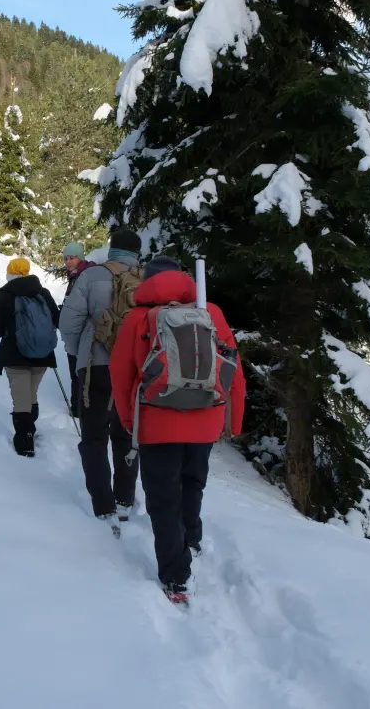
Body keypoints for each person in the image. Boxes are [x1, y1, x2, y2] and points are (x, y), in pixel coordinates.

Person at [109, 255, 245, 604]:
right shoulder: (210, 312)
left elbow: (121, 374)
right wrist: (234, 420)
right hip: (206, 417)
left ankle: (176, 576)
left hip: (156, 420)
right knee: (193, 481)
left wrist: (130, 421)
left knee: (163, 497)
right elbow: (234, 369)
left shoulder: (138, 317)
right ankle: (192, 537)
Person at [59, 229, 144, 527]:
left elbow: (69, 322)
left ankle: (102, 504)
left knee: (94, 437)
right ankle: (124, 499)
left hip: (96, 365)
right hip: (134, 370)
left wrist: (78, 353)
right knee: (126, 435)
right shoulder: (147, 279)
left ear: (112, 250)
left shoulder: (92, 277)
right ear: (137, 251)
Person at [0, 258, 60, 457]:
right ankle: (31, 429)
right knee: (31, 394)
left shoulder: (6, 295)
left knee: (21, 400)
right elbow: (56, 319)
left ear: (10, 273)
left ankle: (25, 442)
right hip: (43, 355)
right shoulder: (43, 293)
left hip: (15, 355)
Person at [60, 242, 94, 415]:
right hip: (77, 332)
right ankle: (78, 406)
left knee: (80, 372)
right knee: (78, 372)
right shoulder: (75, 275)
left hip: (82, 333)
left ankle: (80, 408)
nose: (68, 261)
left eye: (72, 258)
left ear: (80, 258)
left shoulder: (84, 276)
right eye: (66, 258)